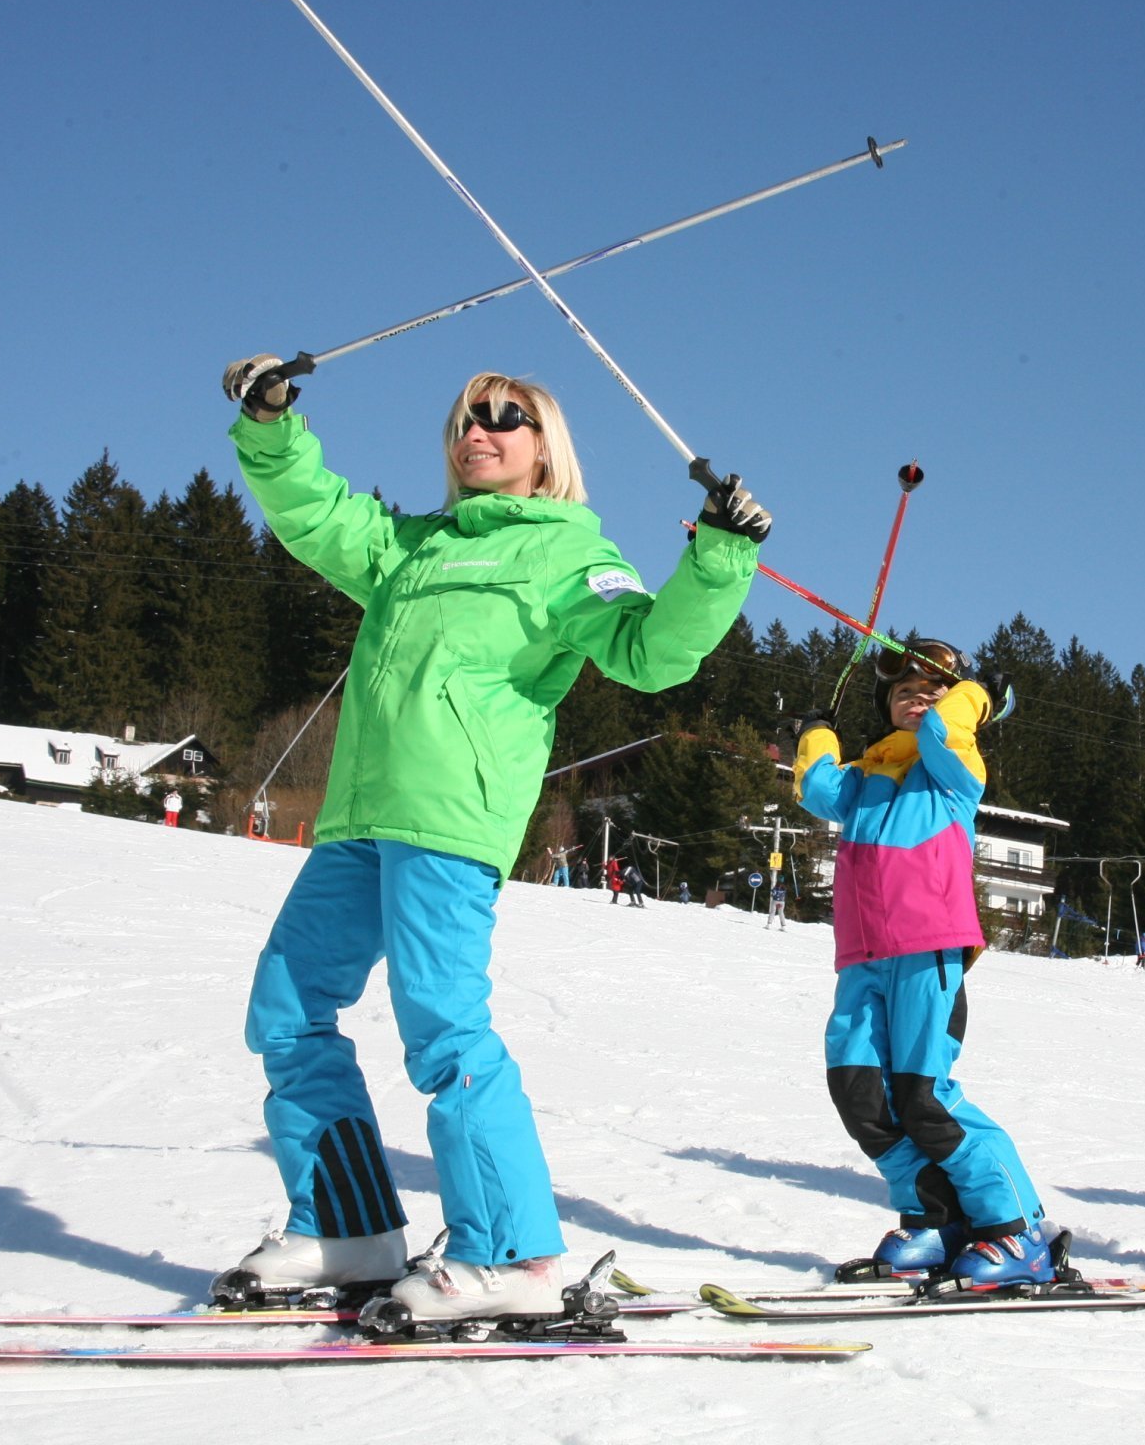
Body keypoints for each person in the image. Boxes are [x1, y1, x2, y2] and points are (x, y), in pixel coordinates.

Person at [209, 355, 769, 1326]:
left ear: (546, 446)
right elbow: (313, 513)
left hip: (450, 820)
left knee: (443, 1027)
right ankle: (347, 1225)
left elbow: (649, 649)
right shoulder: (410, 546)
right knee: (288, 1007)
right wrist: (269, 423)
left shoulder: (567, 554)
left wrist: (718, 556)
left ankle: (516, 1253)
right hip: (359, 816)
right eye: (467, 414)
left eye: (507, 415)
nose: (481, 427)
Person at [790, 638, 1054, 1288]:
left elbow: (943, 728)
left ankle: (1015, 1229)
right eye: (903, 693)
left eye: (931, 692)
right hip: (862, 958)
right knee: (861, 1094)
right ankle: (933, 1218)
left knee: (924, 1096)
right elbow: (816, 786)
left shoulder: (952, 766)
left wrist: (979, 695)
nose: (917, 701)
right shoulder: (867, 778)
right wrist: (817, 732)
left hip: (927, 948)